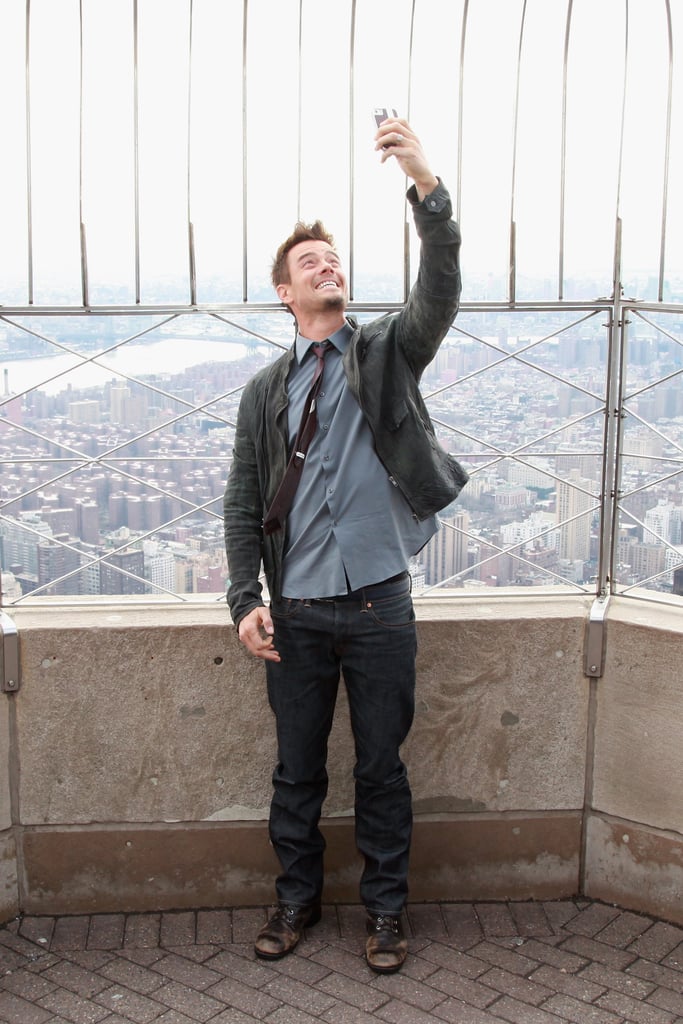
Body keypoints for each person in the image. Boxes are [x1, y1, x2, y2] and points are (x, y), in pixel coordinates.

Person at [223, 115, 467, 974]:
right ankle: (294, 904)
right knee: (295, 774)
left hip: (378, 602)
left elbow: (437, 290)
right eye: (308, 265)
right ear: (285, 296)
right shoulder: (264, 393)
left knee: (381, 771)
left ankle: (386, 915)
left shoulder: (384, 352)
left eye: (331, 260)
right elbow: (243, 504)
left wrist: (425, 187)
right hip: (295, 608)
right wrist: (244, 602)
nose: (326, 268)